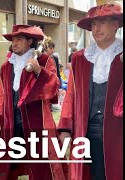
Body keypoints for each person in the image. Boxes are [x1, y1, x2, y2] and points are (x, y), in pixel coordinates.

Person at [0, 25, 67, 180]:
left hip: (37, 121)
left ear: (30, 41)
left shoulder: (45, 60)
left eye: (19, 39)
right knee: (10, 164)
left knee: (40, 164)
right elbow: (2, 93)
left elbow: (54, 86)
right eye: (13, 39)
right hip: (12, 122)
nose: (15, 43)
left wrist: (39, 70)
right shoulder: (7, 65)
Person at [58, 4, 123, 180]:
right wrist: (65, 128)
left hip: (118, 133)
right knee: (90, 174)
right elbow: (71, 95)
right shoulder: (81, 58)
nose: (96, 29)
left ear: (116, 24)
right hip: (85, 129)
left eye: (102, 22)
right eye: (93, 25)